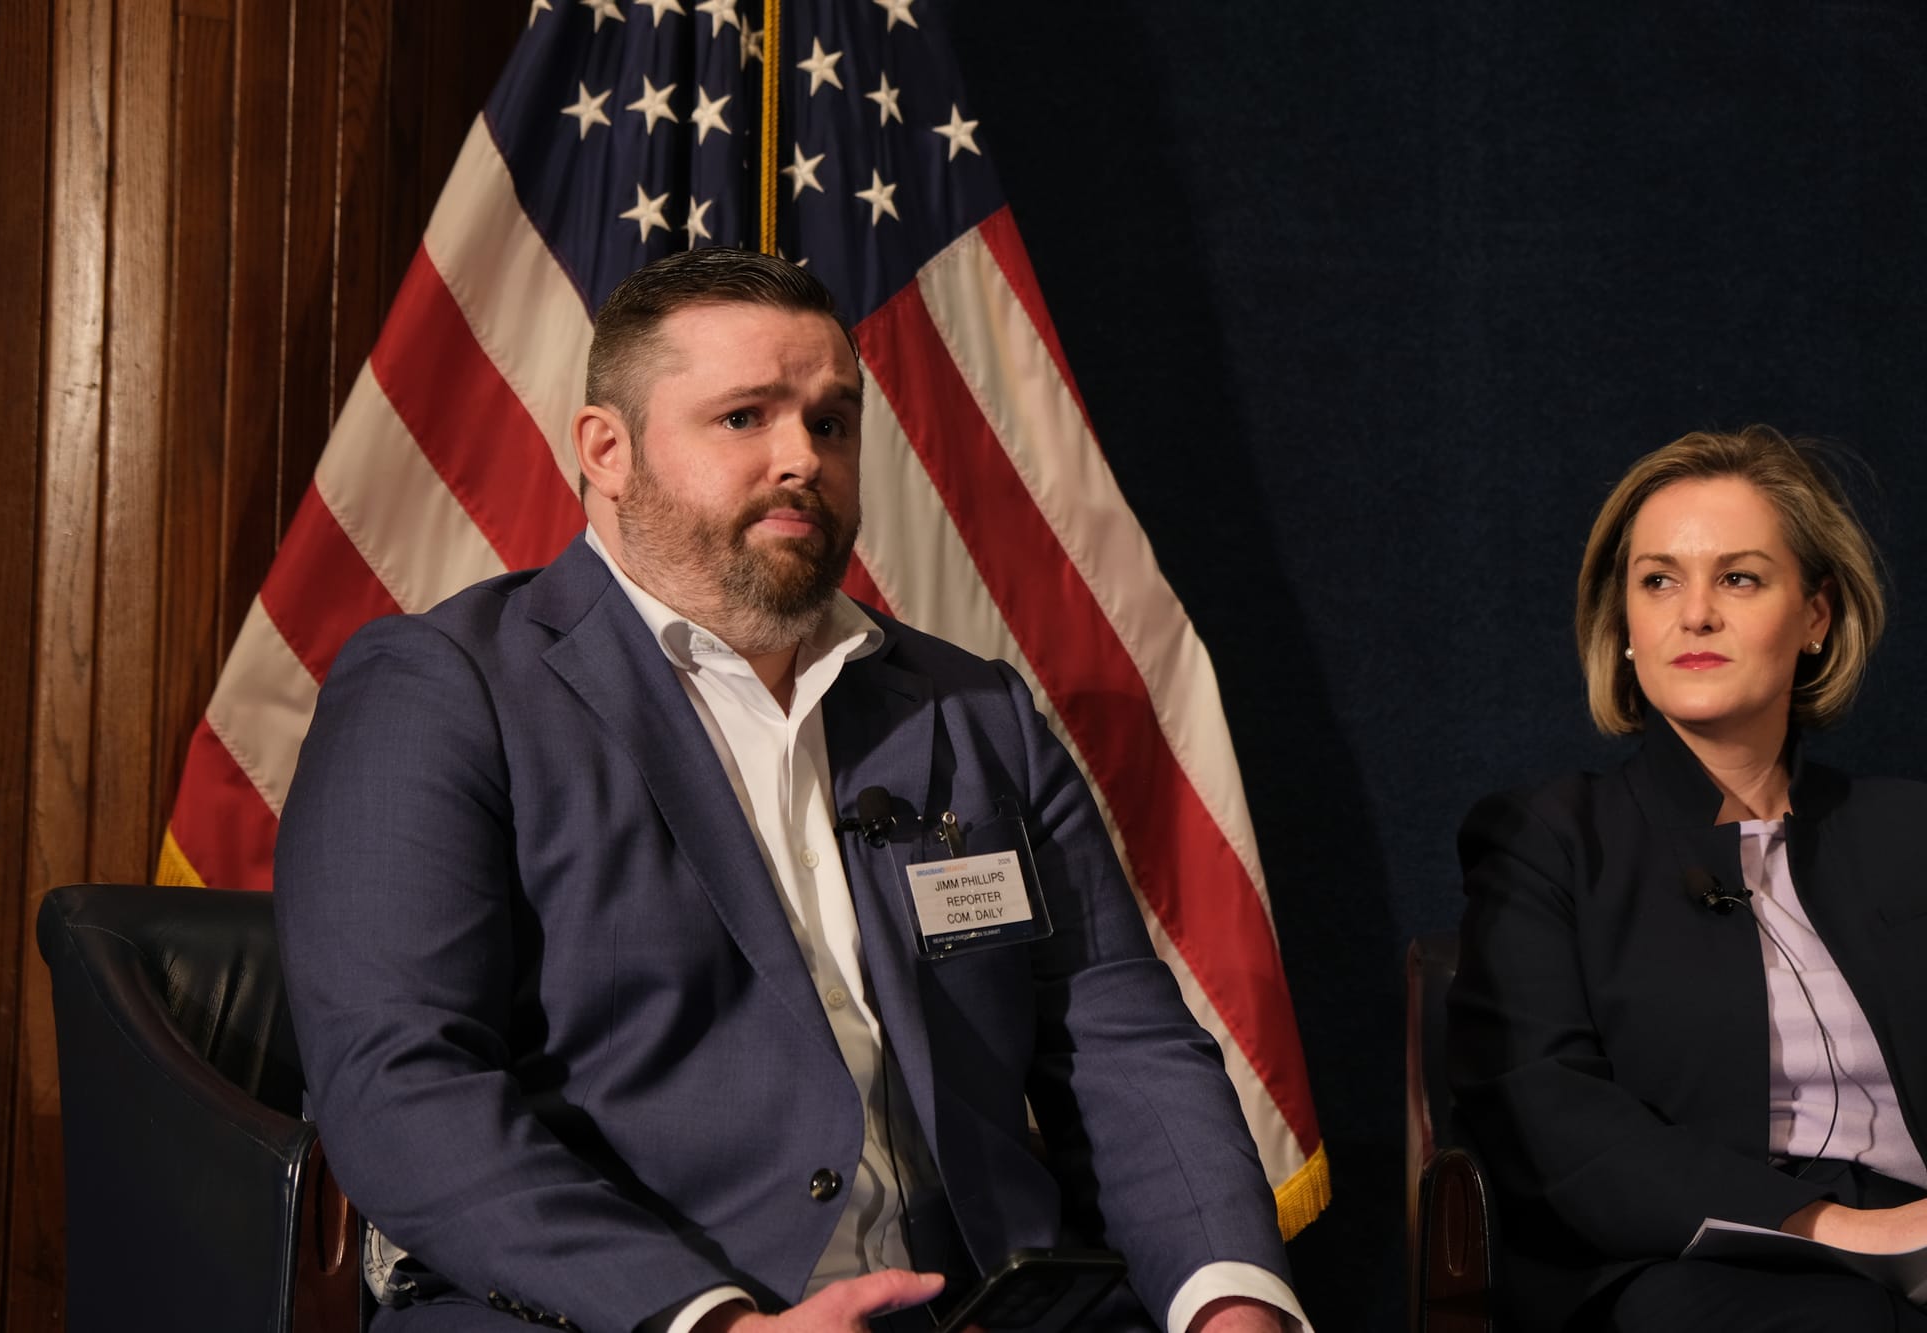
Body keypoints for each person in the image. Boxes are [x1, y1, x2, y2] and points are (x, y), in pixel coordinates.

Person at [274, 248, 1306, 1333]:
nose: (802, 458)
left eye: (830, 421)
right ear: (607, 450)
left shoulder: (973, 710)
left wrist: (1230, 1303)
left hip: (982, 1305)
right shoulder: (445, 691)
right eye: (743, 418)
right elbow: (401, 1080)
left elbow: (1119, 1041)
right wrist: (710, 1321)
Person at [1447, 426, 1927, 1332]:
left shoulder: (1909, 829)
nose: (1694, 613)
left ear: (1816, 617)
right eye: (1659, 581)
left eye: (1739, 578)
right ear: (1624, 626)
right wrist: (1842, 1229)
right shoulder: (1547, 840)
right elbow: (1546, 1112)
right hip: (1687, 1266)